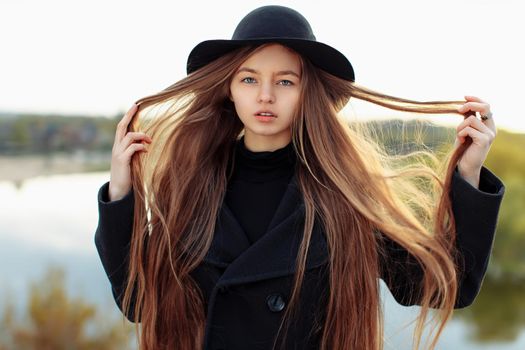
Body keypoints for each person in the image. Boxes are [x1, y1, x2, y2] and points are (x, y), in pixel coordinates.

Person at [94, 5, 504, 350]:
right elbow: (136, 301)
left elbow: (449, 285)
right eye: (249, 78)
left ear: (308, 93)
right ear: (228, 90)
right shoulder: (189, 187)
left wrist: (468, 173)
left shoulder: (344, 195)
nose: (265, 95)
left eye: (285, 81)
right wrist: (121, 191)